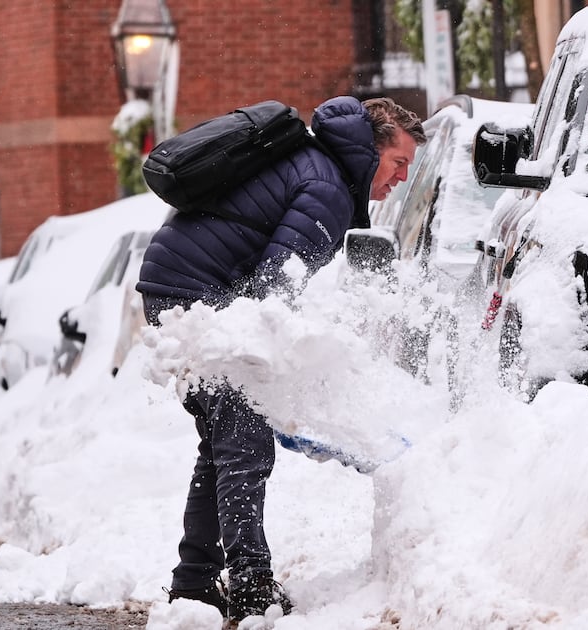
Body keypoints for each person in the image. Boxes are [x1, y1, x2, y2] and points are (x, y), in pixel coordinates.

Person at [135, 95, 426, 623]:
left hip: (180, 287)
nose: (402, 178)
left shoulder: (318, 168)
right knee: (246, 443)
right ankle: (250, 586)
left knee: (225, 442)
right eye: (399, 162)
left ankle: (195, 583)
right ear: (370, 151)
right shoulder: (329, 189)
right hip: (193, 295)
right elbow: (274, 288)